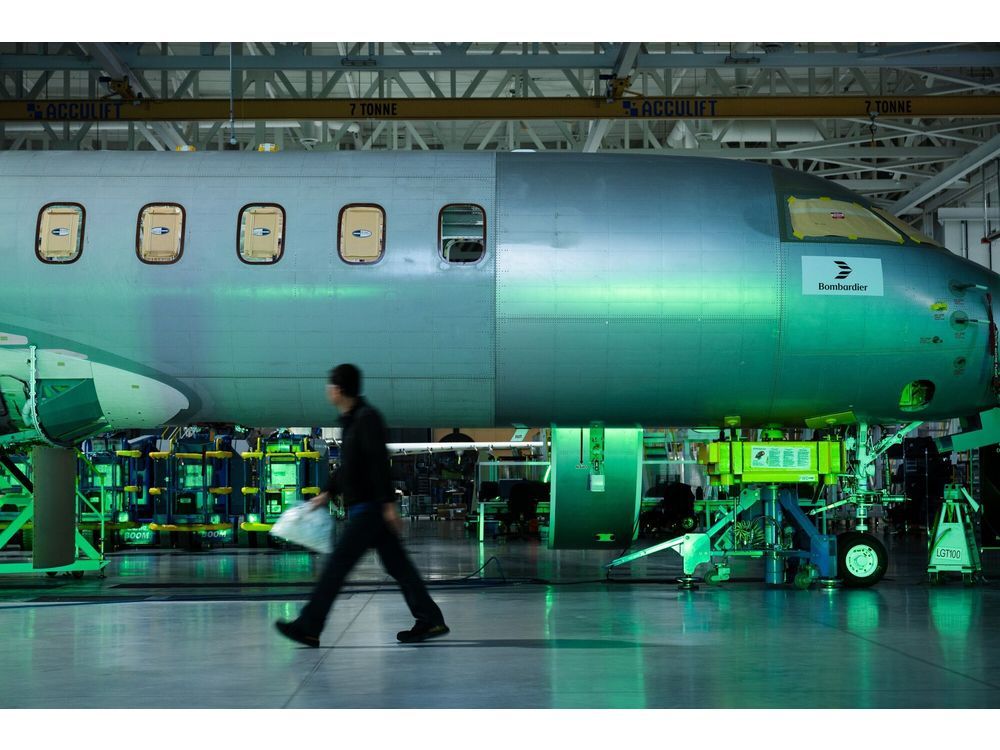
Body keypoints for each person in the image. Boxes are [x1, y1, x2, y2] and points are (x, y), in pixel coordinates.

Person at [275, 364, 449, 647]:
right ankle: (430, 618)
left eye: (329, 385)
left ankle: (309, 625)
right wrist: (327, 493)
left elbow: (378, 462)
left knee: (337, 565)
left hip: (369, 509)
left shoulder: (366, 419)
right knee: (398, 566)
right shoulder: (352, 420)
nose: (327, 390)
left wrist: (387, 504)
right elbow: (349, 467)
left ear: (339, 389)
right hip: (368, 509)